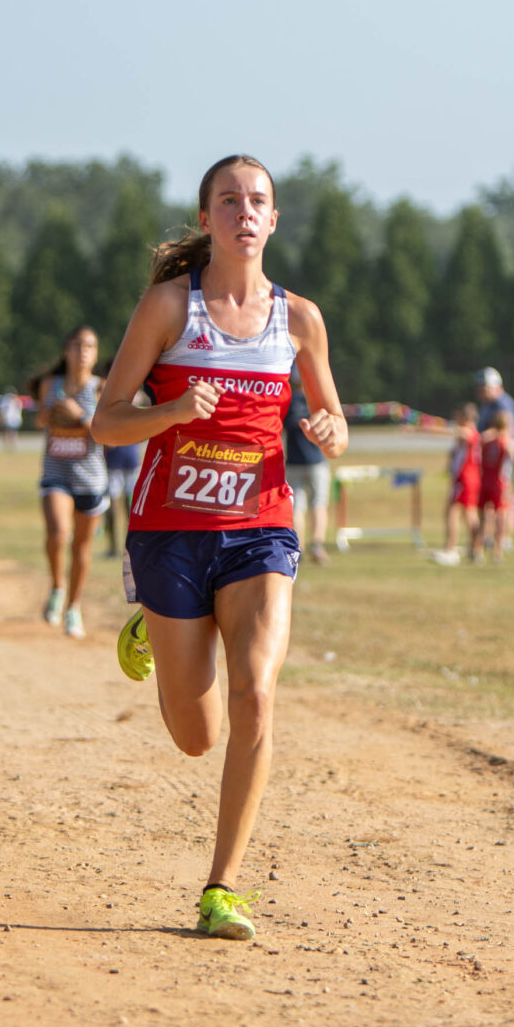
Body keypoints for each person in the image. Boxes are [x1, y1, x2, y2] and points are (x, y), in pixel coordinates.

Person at [91, 154, 346, 943]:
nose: (245, 210)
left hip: (261, 528)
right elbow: (104, 418)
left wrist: (330, 430)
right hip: (171, 530)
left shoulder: (299, 319)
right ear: (207, 220)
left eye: (258, 200)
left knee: (256, 696)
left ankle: (221, 889)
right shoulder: (170, 307)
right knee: (195, 736)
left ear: (273, 221)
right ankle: (157, 630)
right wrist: (170, 414)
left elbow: (334, 418)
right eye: (229, 199)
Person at [32, 328, 107, 640]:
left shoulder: (101, 387)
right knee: (58, 532)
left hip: (90, 477)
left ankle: (74, 608)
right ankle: (57, 587)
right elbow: (38, 421)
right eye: (77, 345)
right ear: (66, 351)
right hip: (56, 473)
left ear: (96, 352)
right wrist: (51, 413)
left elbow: (108, 433)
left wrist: (80, 416)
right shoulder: (52, 385)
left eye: (89, 345)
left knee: (81, 547)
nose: (83, 351)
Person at [283, 376, 332, 564]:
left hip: (293, 461)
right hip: (316, 461)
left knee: (297, 508)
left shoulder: (287, 402)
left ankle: (299, 547)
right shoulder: (318, 402)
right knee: (318, 504)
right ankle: (317, 546)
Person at [431, 403, 482, 566]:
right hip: (470, 478)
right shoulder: (473, 433)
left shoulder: (468, 432)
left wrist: (417, 430)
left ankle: (451, 549)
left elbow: (445, 431)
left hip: (465, 477)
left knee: (452, 512)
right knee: (470, 515)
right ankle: (476, 548)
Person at [476, 405, 514, 562]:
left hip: (485, 480)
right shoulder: (506, 442)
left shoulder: (486, 439)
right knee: (500, 517)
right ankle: (497, 550)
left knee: (483, 516)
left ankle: (477, 548)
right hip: (500, 483)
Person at [102, 433, 143, 560]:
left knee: (113, 504)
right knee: (129, 504)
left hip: (116, 459)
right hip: (130, 458)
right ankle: (130, 546)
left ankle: (114, 547)